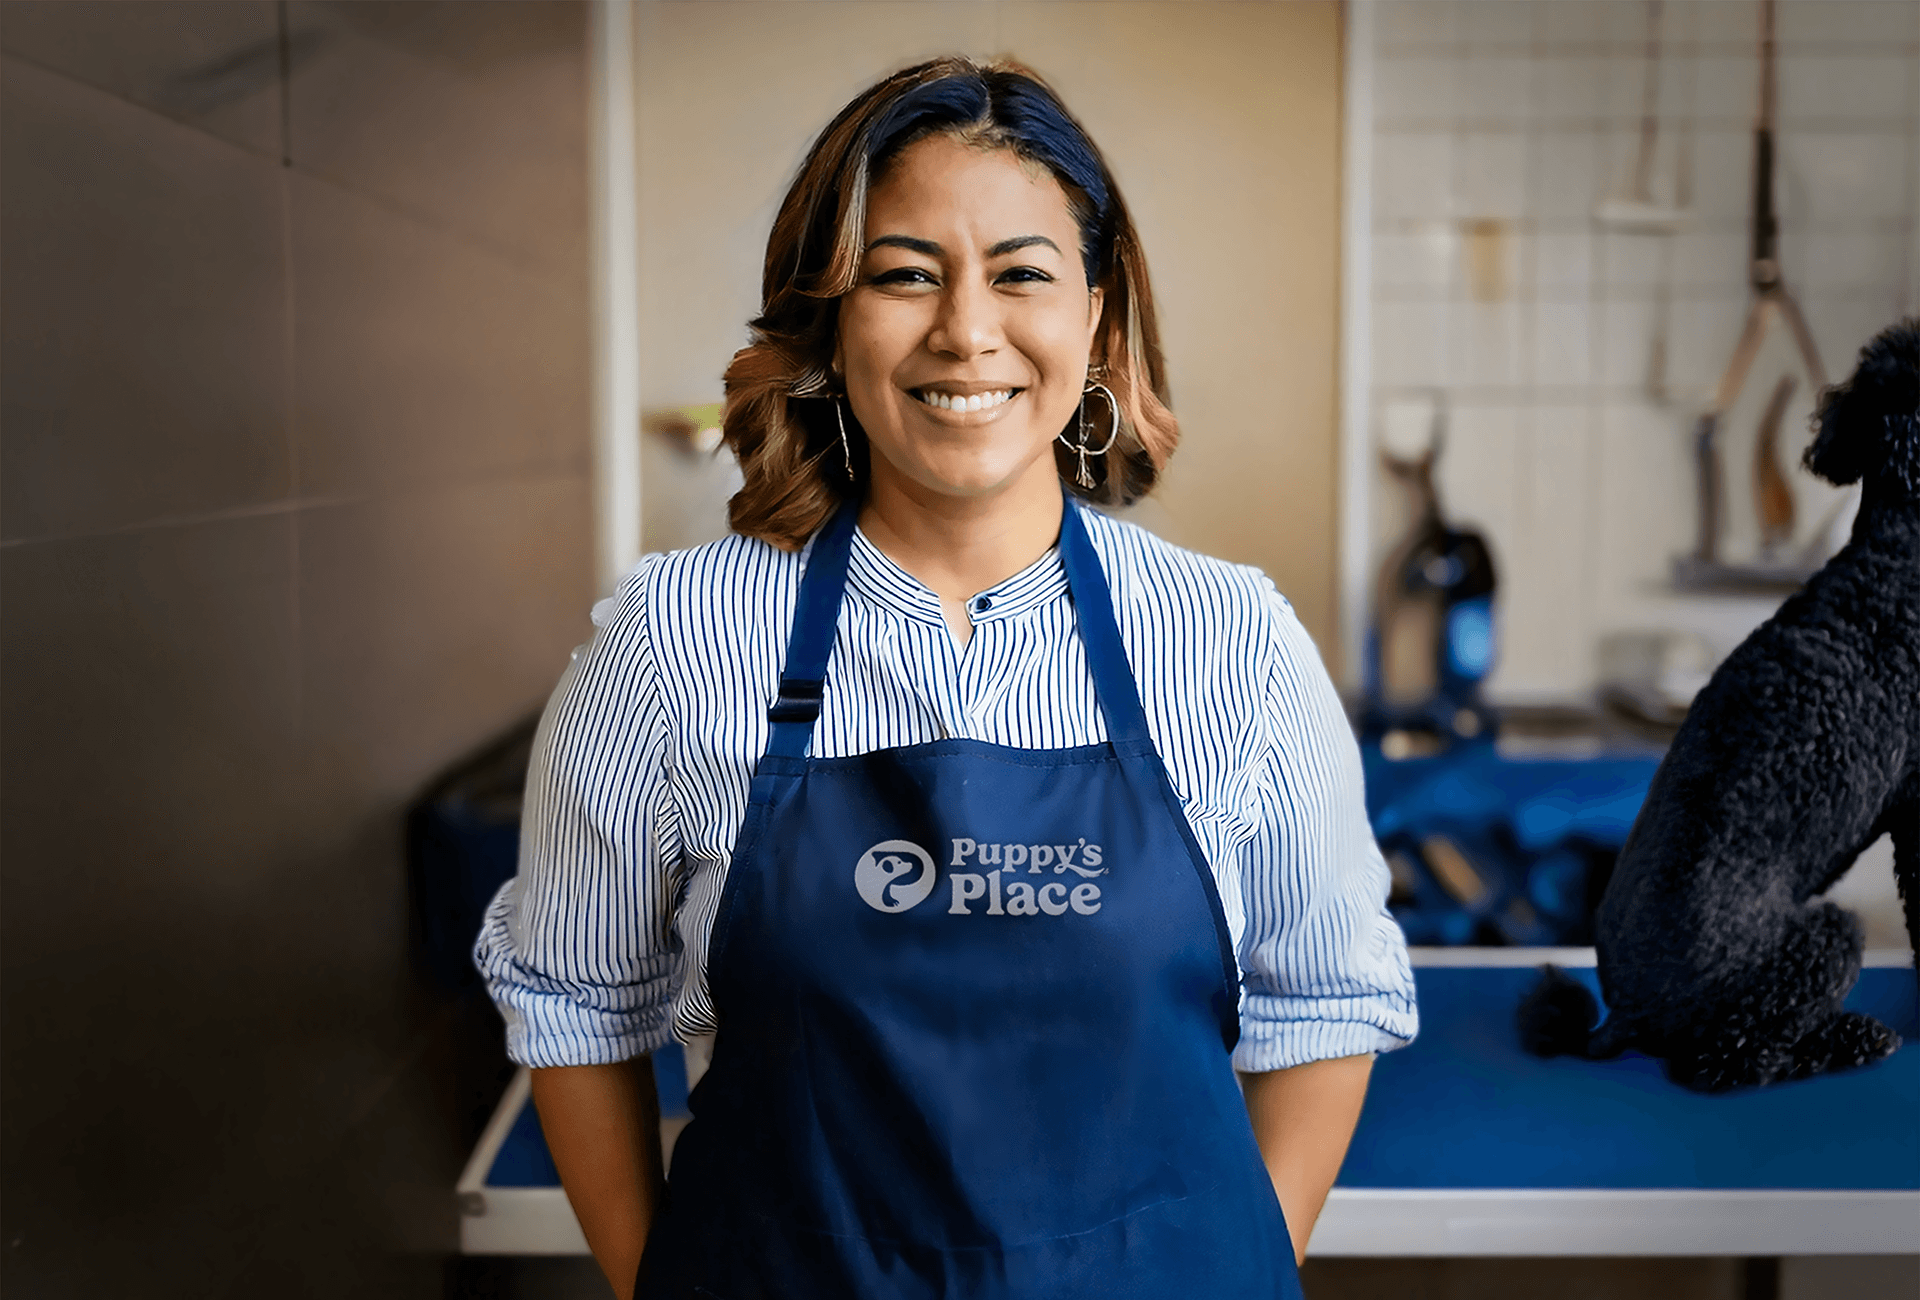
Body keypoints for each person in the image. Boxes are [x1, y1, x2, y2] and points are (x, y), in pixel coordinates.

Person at [476, 56, 1417, 1300]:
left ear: (1096, 315)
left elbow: (1327, 1001)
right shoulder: (674, 639)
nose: (966, 329)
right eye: (904, 272)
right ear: (828, 319)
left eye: (1021, 272)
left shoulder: (1230, 642)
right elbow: (573, 1007)